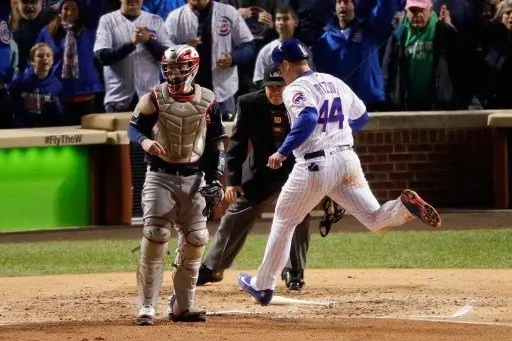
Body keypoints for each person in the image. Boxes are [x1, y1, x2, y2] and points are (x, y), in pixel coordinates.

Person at [237, 39, 442, 305]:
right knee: (375, 219)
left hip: (314, 164)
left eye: (280, 67)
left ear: (286, 64)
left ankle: (263, 286)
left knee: (284, 220)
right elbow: (362, 115)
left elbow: (309, 117)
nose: (279, 72)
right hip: (346, 158)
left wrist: (283, 151)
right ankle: (404, 209)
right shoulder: (332, 80)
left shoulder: (295, 88)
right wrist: (335, 135)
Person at [128, 45, 227, 325]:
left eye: (179, 68)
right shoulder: (154, 97)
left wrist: (215, 178)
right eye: (169, 68)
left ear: (192, 67)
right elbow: (134, 127)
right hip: (160, 175)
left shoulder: (208, 100)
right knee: (157, 234)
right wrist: (144, 141)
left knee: (196, 240)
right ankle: (146, 306)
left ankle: (182, 306)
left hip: (194, 177)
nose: (173, 73)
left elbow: (215, 143)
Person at [197, 66, 311, 291]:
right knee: (235, 215)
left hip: (295, 172)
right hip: (260, 172)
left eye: (281, 87)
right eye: (272, 88)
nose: (276, 92)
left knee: (298, 217)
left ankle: (294, 272)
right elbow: (237, 143)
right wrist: (233, 181)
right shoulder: (249, 103)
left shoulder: (303, 102)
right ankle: (213, 267)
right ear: (264, 86)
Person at [8, 42, 64, 127]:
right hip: (23, 130)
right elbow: (9, 105)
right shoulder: (20, 81)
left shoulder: (57, 86)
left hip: (46, 131)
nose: (45, 58)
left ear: (52, 61)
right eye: (40, 56)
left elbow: (60, 114)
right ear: (32, 61)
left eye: (48, 55)